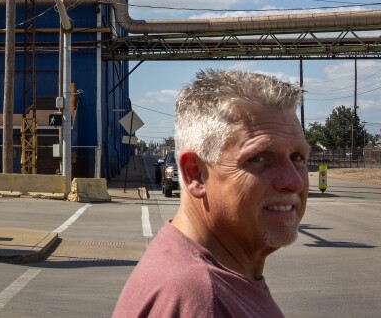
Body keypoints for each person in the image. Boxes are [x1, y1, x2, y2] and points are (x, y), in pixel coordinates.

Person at [113, 69, 310, 317]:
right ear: (195, 174)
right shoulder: (200, 298)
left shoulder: (211, 276)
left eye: (297, 157)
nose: (294, 182)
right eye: (259, 158)